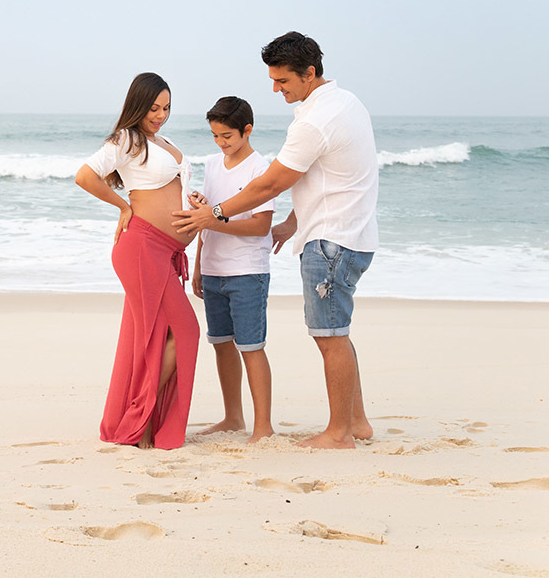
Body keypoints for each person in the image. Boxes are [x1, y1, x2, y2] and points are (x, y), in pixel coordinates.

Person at [174, 32, 379, 449]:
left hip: (331, 242)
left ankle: (338, 433)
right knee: (337, 331)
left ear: (309, 73)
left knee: (330, 336)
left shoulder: (314, 120)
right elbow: (330, 178)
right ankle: (357, 423)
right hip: (348, 233)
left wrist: (215, 212)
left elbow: (270, 184)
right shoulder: (347, 103)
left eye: (283, 81)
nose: (275, 89)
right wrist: (290, 224)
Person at [75, 72, 200, 450]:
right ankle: (139, 419)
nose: (160, 115)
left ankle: (139, 419)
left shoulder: (163, 141)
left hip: (165, 249)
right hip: (142, 248)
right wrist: (123, 206)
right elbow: (85, 176)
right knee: (183, 333)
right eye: (153, 109)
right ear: (137, 106)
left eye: (166, 108)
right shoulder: (127, 139)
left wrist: (195, 208)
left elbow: (167, 190)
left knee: (154, 337)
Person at [189, 96, 275, 443]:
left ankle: (264, 426)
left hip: (247, 270)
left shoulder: (261, 168)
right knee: (221, 344)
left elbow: (260, 226)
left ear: (247, 130)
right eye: (214, 135)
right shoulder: (211, 164)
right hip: (212, 270)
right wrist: (198, 267)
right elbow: (204, 220)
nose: (221, 142)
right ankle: (233, 417)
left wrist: (214, 219)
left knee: (251, 346)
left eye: (226, 135)